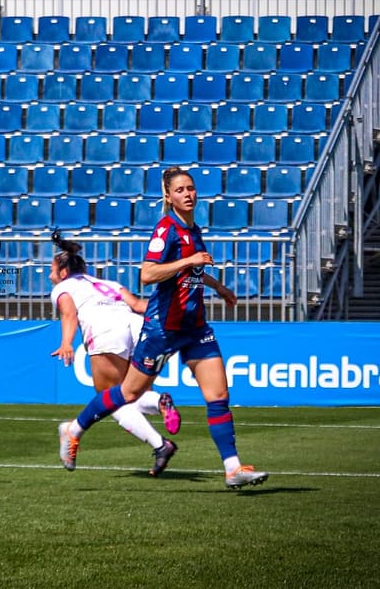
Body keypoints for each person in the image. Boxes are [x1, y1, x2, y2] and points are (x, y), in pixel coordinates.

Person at [58, 166, 269, 489]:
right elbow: (147, 274)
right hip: (162, 328)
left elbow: (191, 271)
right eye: (180, 190)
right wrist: (189, 261)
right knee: (129, 392)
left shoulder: (193, 229)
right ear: (168, 197)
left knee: (218, 395)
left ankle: (233, 469)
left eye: (191, 188)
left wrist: (218, 287)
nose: (188, 194)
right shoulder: (165, 229)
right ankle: (74, 430)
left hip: (195, 327)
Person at [48, 231, 182, 477]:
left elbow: (69, 314)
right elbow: (140, 306)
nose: (50, 275)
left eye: (52, 271)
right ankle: (158, 406)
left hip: (106, 331)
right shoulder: (109, 284)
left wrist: (66, 342)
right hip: (137, 326)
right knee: (130, 393)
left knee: (111, 399)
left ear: (64, 273)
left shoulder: (63, 287)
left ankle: (159, 442)